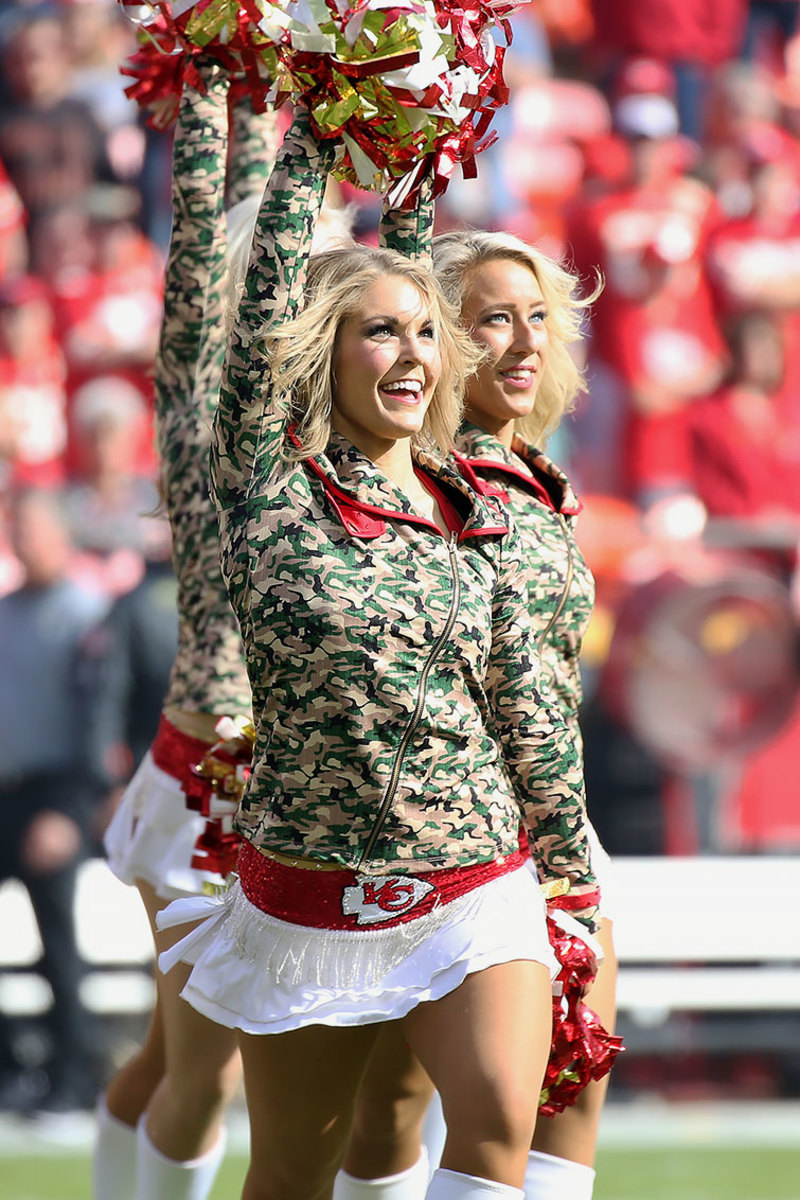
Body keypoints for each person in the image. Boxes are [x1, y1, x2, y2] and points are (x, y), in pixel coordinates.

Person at [158, 100, 600, 1200]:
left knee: (500, 1123)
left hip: (474, 871)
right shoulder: (270, 490)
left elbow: (527, 707)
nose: (410, 352)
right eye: (378, 332)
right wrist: (324, 111)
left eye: (422, 333)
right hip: (311, 887)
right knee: (298, 1170)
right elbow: (254, 303)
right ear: (325, 355)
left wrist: (568, 878)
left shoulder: (475, 498)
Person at [334, 234, 619, 1200]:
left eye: (537, 316)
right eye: (492, 318)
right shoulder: (444, 482)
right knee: (429, 1127)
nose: (525, 341)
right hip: (482, 846)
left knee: (521, 1115)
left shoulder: (523, 474)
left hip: (523, 830)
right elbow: (515, 695)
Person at [93, 63, 278, 1200]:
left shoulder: (363, 435)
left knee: (177, 1053)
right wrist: (223, 73)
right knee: (204, 1067)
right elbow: (210, 250)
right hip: (214, 764)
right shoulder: (201, 424)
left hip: (319, 777)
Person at [0, 487, 107, 1112]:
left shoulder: (86, 614)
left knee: (58, 944)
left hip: (57, 795)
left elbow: (98, 726)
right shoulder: (7, 612)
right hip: (6, 789)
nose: (20, 540)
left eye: (31, 529)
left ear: (62, 536)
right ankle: (12, 1063)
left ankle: (73, 1076)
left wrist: (69, 812)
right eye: (15, 530)